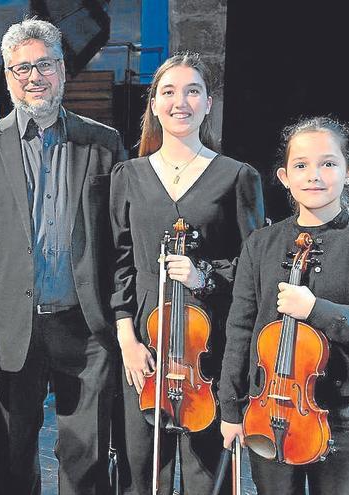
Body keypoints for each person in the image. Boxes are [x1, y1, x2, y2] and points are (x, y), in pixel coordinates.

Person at [0, 18, 127, 494]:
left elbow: (121, 245)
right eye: (20, 68)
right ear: (7, 76)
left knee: (85, 454)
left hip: (86, 328)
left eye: (43, 64)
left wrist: (122, 323)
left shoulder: (104, 144)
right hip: (10, 330)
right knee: (12, 453)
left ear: (62, 69)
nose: (33, 77)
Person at [217, 116, 349, 495]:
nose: (314, 175)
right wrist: (231, 409)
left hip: (345, 420)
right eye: (301, 165)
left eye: (328, 163)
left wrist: (317, 310)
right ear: (283, 177)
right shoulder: (261, 244)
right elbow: (240, 331)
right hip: (270, 410)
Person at [109, 52, 265, 495]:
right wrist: (127, 342)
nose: (181, 102)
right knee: (141, 472)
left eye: (193, 91)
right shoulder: (129, 175)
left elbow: (255, 270)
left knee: (206, 474)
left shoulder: (238, 177)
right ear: (154, 104)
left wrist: (204, 277)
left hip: (210, 346)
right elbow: (118, 264)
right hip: (145, 345)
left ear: (208, 103)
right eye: (169, 92)